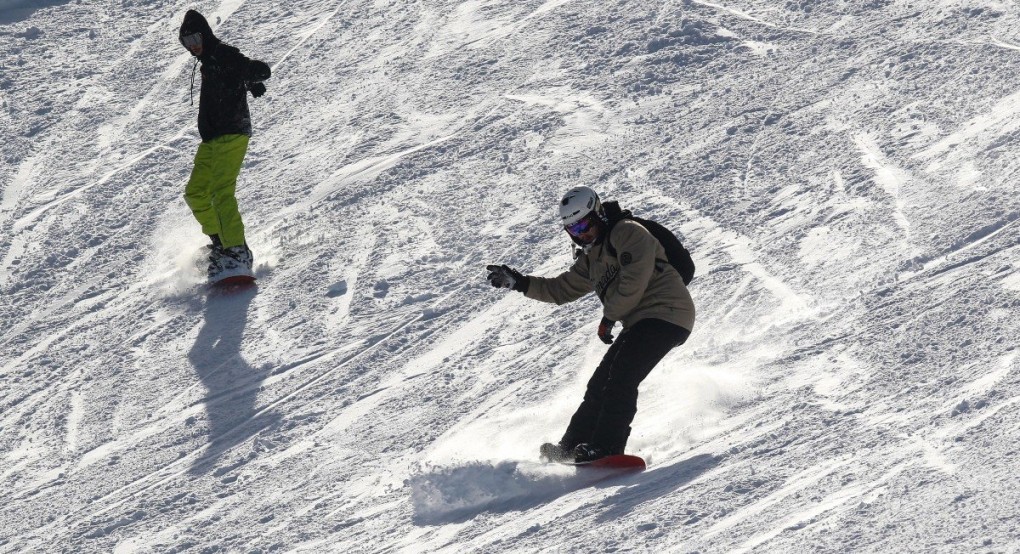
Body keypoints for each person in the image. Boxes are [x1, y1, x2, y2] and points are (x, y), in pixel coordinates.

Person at [486, 186, 695, 463]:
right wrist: (520, 283)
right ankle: (572, 445)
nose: (581, 233)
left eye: (584, 224)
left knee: (621, 378)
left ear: (597, 215)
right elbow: (561, 289)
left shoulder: (627, 232)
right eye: (573, 229)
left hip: (668, 314)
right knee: (599, 384)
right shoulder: (592, 257)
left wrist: (610, 316)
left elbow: (636, 279)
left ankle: (608, 446)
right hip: (640, 321)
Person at [178, 10, 271, 280]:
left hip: (232, 131)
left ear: (205, 34)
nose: (192, 45)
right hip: (211, 139)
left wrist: (252, 77)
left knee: (220, 192)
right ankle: (221, 242)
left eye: (195, 37)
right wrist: (246, 82)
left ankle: (237, 251)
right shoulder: (207, 63)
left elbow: (259, 69)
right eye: (186, 42)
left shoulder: (223, 54)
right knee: (196, 193)